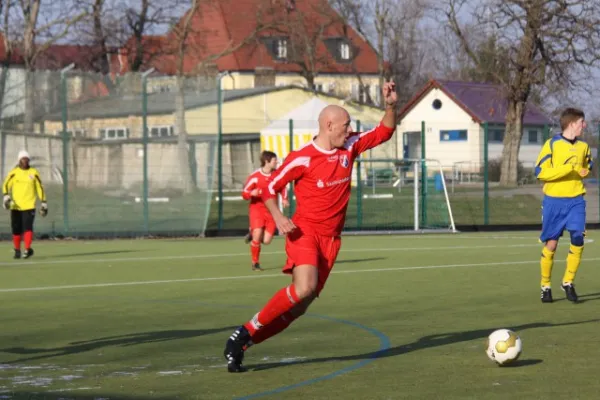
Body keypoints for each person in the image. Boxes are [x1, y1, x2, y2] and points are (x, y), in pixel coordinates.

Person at [223, 81, 398, 372]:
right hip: (304, 233)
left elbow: (385, 131)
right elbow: (269, 187)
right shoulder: (302, 157)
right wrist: (278, 217)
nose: (350, 129)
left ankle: (245, 342)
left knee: (299, 308)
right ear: (329, 125)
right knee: (304, 288)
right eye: (345, 124)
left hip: (332, 239)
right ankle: (245, 329)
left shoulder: (350, 146)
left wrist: (390, 105)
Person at [535, 107, 592, 303]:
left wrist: (584, 171)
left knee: (578, 238)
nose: (584, 126)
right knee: (552, 244)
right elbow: (540, 172)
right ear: (572, 124)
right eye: (582, 122)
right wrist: (569, 169)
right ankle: (545, 285)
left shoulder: (584, 147)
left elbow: (587, 166)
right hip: (553, 202)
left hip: (576, 200)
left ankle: (568, 282)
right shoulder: (551, 145)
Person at [241, 151, 290, 272]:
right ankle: (255, 263)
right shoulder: (255, 177)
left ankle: (253, 234)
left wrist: (284, 198)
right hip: (257, 210)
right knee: (258, 234)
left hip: (272, 211)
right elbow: (244, 192)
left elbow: (283, 187)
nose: (277, 162)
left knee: (267, 241)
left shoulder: (276, 175)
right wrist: (251, 193)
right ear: (267, 161)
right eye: (274, 160)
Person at [2, 150, 48, 259]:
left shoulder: (34, 172)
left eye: (27, 159)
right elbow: (5, 184)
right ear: (19, 160)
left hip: (29, 205)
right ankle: (17, 250)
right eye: (23, 159)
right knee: (16, 229)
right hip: (16, 206)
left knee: (28, 228)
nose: (25, 161)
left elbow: (40, 188)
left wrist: (44, 202)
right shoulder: (14, 172)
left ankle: (27, 249)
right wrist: (6, 195)